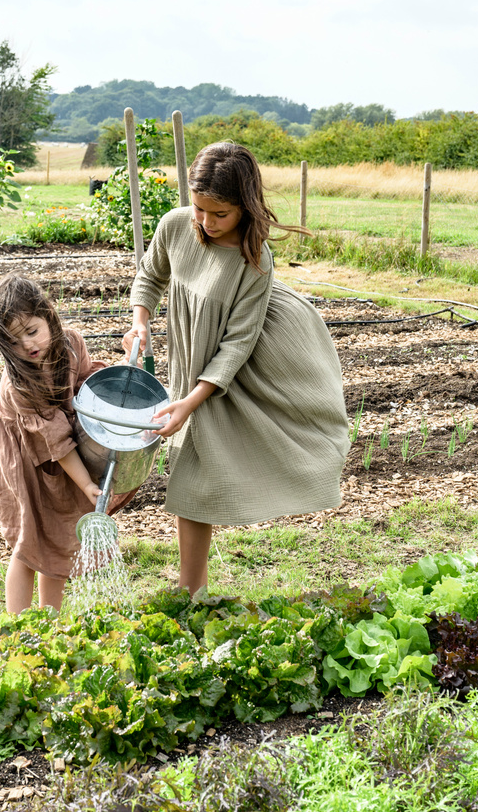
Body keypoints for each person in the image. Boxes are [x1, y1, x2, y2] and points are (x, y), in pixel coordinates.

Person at [123, 142, 349, 594]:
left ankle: (191, 590)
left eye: (219, 214)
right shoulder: (175, 226)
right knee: (192, 466)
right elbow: (151, 274)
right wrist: (140, 321)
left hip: (244, 367)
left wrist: (190, 400)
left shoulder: (254, 260)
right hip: (193, 360)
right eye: (199, 209)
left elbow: (237, 343)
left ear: (245, 208)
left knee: (207, 461)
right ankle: (194, 591)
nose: (205, 222)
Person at [0, 273, 115, 613]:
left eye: (32, 331)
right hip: (18, 455)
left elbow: (87, 388)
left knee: (57, 537)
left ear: (49, 315)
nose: (27, 345)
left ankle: (48, 622)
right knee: (29, 543)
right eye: (14, 341)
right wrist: (86, 483)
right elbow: (55, 438)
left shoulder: (71, 343)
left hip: (57, 453)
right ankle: (20, 627)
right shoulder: (19, 384)